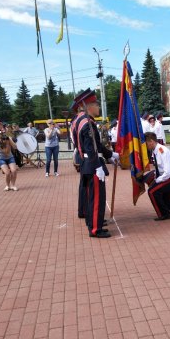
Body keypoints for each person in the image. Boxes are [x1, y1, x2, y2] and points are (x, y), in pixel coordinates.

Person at [74, 89, 119, 238]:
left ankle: (92, 223)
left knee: (90, 198)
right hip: (92, 165)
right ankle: (95, 229)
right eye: (96, 104)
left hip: (87, 164)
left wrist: (110, 154)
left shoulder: (81, 121)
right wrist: (98, 167)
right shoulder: (88, 123)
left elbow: (96, 145)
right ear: (88, 106)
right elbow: (91, 148)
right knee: (97, 198)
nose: (98, 107)